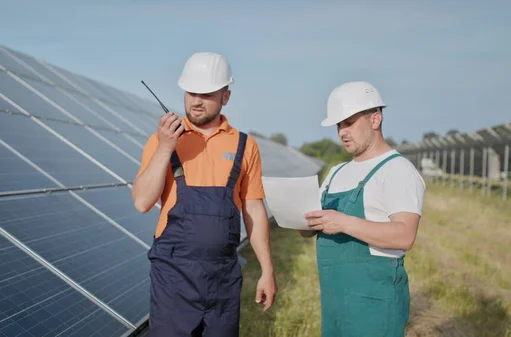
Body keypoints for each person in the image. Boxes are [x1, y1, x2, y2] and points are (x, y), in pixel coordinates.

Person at [132, 51, 277, 337]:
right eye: (191, 92)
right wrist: (165, 147)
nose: (197, 101)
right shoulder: (162, 141)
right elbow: (141, 202)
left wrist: (268, 270)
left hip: (223, 277)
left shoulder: (244, 146)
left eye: (207, 93)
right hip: (173, 277)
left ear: (226, 96)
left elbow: (254, 210)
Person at [301, 81, 426, 336]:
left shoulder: (397, 170)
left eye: (349, 122)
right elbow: (309, 230)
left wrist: (343, 222)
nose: (342, 132)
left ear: (375, 119)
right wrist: (299, 220)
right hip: (334, 302)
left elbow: (404, 235)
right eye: (338, 125)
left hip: (373, 306)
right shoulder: (336, 173)